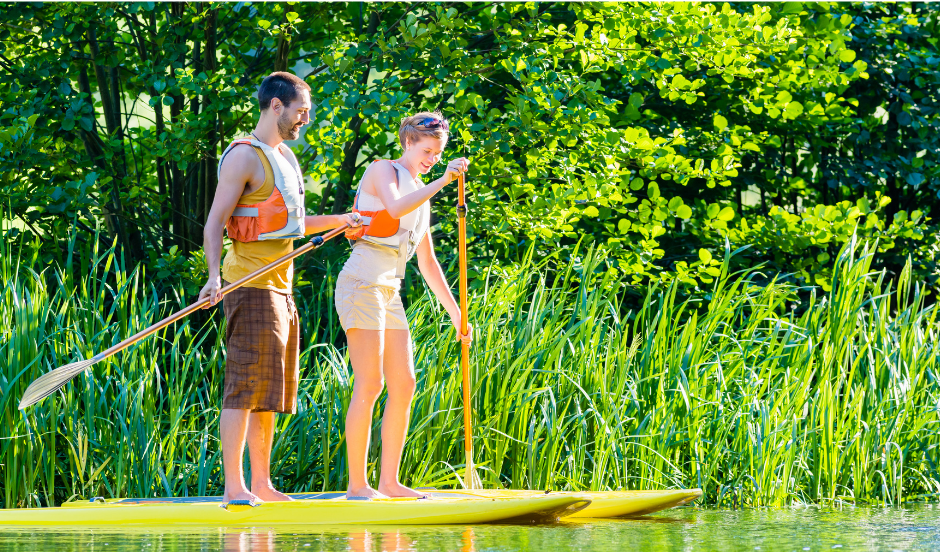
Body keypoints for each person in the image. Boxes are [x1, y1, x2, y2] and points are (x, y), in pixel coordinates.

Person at [198, 71, 360, 504]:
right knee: (243, 387)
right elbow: (214, 224)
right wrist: (213, 277)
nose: (304, 119)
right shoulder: (243, 157)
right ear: (276, 106)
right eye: (301, 111)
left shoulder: (286, 157)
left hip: (280, 289)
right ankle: (235, 487)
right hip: (248, 285)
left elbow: (291, 224)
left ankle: (263, 484)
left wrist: (341, 220)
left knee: (269, 391)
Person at [335, 111, 473, 499]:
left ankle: (389, 482)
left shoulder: (422, 193)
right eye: (428, 150)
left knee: (405, 383)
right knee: (371, 383)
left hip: (389, 291)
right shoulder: (383, 171)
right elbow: (394, 209)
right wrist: (443, 180)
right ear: (409, 142)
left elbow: (427, 262)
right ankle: (357, 486)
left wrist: (456, 313)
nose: (433, 158)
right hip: (361, 283)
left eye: (439, 153)